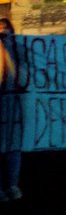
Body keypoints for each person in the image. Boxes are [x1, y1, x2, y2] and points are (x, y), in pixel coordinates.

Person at [0, 17, 22, 201]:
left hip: (13, 101)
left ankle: (12, 185)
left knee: (13, 146)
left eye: (4, 25)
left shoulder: (15, 45)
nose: (1, 28)